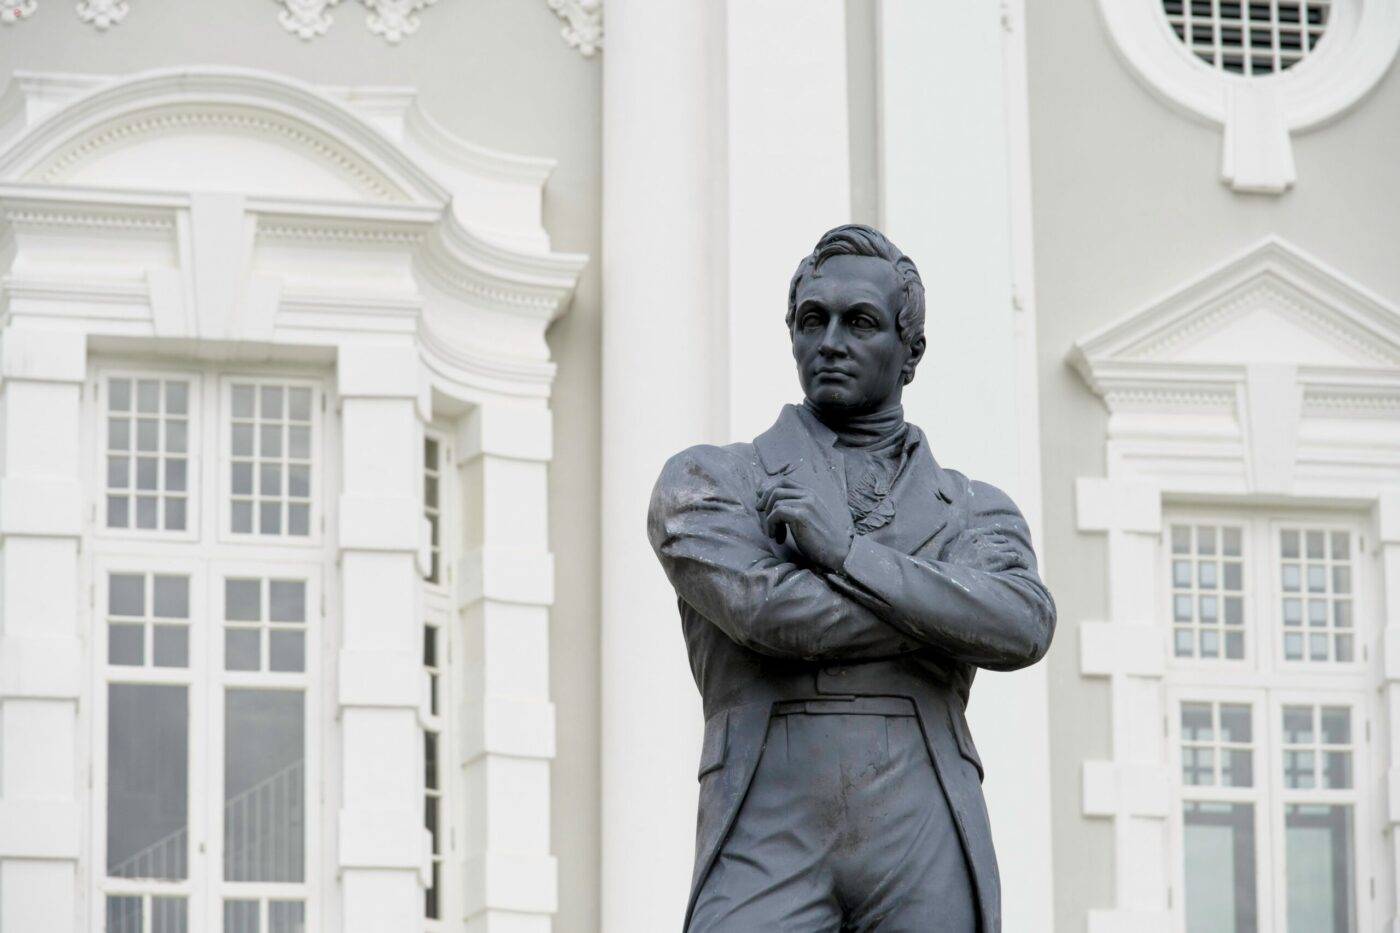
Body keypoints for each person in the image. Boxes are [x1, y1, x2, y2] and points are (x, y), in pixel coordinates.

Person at [647, 224, 1056, 932]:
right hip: (764, 819)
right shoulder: (712, 481)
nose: (830, 340)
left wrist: (843, 555)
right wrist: (944, 610)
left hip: (923, 814)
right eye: (813, 320)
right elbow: (766, 613)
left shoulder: (972, 506)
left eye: (860, 322)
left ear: (911, 351)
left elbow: (1022, 622)